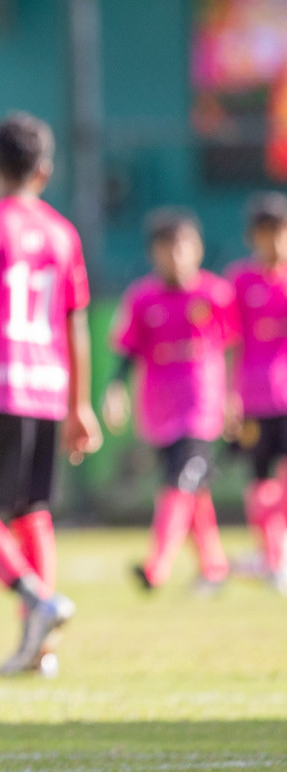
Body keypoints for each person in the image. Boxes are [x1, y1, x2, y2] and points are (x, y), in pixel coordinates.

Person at [0, 112, 101, 676]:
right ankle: (42, 650)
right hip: (50, 390)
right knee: (32, 513)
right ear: (46, 171)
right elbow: (76, 323)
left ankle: (37, 601)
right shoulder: (63, 234)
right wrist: (81, 403)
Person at [104, 208, 237, 594]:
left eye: (183, 247)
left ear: (197, 249)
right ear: (154, 253)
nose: (175, 256)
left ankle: (156, 567)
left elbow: (233, 348)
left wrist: (233, 397)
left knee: (178, 482)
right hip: (160, 409)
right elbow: (126, 354)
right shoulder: (143, 299)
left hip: (202, 407)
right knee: (192, 489)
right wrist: (114, 391)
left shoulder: (215, 293)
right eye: (167, 248)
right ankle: (214, 566)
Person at [226, 192, 287, 592]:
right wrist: (228, 396)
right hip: (251, 397)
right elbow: (229, 341)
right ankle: (271, 558)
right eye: (267, 233)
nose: (275, 241)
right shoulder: (240, 280)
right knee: (259, 478)